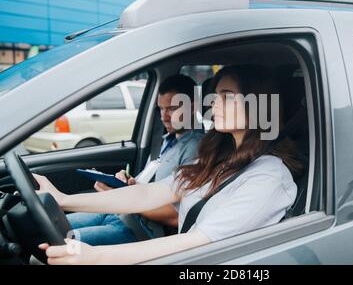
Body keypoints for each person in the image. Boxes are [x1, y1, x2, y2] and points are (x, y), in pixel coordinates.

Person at [34, 65, 304, 264]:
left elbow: (194, 242)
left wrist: (95, 257)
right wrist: (63, 199)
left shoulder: (268, 177)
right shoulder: (217, 156)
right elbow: (148, 193)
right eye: (215, 95)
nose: (214, 104)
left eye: (227, 96)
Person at [66, 74, 204, 245]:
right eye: (161, 109)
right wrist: (128, 183)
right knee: (52, 226)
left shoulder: (196, 149)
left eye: (172, 109)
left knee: (63, 242)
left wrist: (122, 197)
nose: (163, 117)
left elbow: (177, 215)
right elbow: (153, 185)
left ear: (192, 107)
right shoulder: (169, 140)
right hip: (123, 211)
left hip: (143, 229)